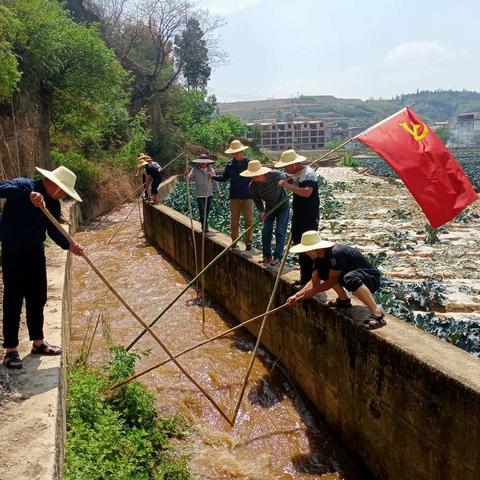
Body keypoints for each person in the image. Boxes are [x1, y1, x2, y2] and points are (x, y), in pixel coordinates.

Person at [0, 166, 84, 369]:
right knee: (13, 298)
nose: (63, 194)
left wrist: (70, 245)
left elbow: (54, 231)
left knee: (38, 297)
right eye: (63, 190)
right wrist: (28, 195)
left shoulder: (52, 204)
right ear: (54, 184)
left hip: (36, 253)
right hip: (13, 252)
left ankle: (38, 342)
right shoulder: (23, 185)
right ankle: (10, 350)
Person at [286, 231, 385, 329]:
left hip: (370, 279)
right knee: (324, 273)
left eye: (307, 250)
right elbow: (314, 281)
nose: (306, 253)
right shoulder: (318, 258)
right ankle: (343, 300)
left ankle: (377, 314)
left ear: (313, 249)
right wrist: (297, 296)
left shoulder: (336, 253)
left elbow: (331, 281)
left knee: (349, 279)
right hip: (350, 276)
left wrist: (311, 292)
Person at [276, 149, 319, 287]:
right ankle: (305, 277)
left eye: (286, 166)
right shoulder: (297, 174)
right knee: (300, 246)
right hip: (299, 215)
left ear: (294, 164)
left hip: (309, 216)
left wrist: (288, 186)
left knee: (309, 248)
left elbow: (307, 192)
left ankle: (313, 279)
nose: (285, 169)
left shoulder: (308, 173)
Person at [240, 160, 289, 265]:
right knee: (266, 230)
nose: (252, 177)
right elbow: (257, 201)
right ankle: (267, 255)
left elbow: (288, 177)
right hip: (269, 207)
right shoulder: (252, 186)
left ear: (260, 173)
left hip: (282, 205)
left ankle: (278, 257)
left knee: (280, 230)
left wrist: (289, 181)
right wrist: (261, 211)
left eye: (254, 175)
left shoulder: (275, 175)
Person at [213, 140, 253, 250]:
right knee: (234, 221)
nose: (235, 154)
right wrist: (213, 177)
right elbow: (224, 178)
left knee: (248, 220)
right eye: (233, 153)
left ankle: (248, 242)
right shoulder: (230, 165)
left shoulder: (249, 163)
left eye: (237, 152)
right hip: (234, 196)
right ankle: (234, 241)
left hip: (247, 196)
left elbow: (255, 177)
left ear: (241, 151)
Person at [184, 154, 220, 234]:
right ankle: (205, 227)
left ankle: (205, 225)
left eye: (205, 162)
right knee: (202, 211)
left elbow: (214, 181)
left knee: (207, 212)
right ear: (199, 163)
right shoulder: (195, 170)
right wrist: (186, 175)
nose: (203, 164)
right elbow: (188, 179)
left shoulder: (211, 170)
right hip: (200, 195)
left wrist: (217, 191)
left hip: (209, 194)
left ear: (207, 163)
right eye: (201, 162)